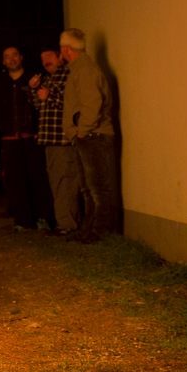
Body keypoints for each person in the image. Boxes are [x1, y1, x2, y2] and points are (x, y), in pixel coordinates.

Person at [60, 28, 121, 242]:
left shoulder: (84, 70)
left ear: (66, 49)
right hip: (89, 135)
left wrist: (81, 132)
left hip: (94, 136)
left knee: (98, 188)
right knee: (90, 188)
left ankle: (101, 232)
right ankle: (90, 230)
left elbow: (92, 104)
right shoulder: (80, 69)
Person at [0, 46, 52, 230]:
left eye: (14, 55)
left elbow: (42, 107)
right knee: (15, 182)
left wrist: (39, 129)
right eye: (7, 57)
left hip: (32, 138)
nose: (11, 59)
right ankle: (23, 220)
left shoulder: (34, 79)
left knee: (37, 179)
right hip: (9, 141)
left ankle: (42, 217)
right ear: (3, 61)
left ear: (21, 58)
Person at [31, 45, 82, 235]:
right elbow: (39, 105)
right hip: (49, 139)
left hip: (62, 139)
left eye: (49, 56)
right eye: (43, 58)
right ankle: (65, 223)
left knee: (65, 182)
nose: (46, 61)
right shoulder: (48, 78)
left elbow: (71, 104)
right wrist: (34, 89)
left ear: (60, 56)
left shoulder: (66, 75)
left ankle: (68, 225)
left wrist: (49, 95)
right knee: (57, 182)